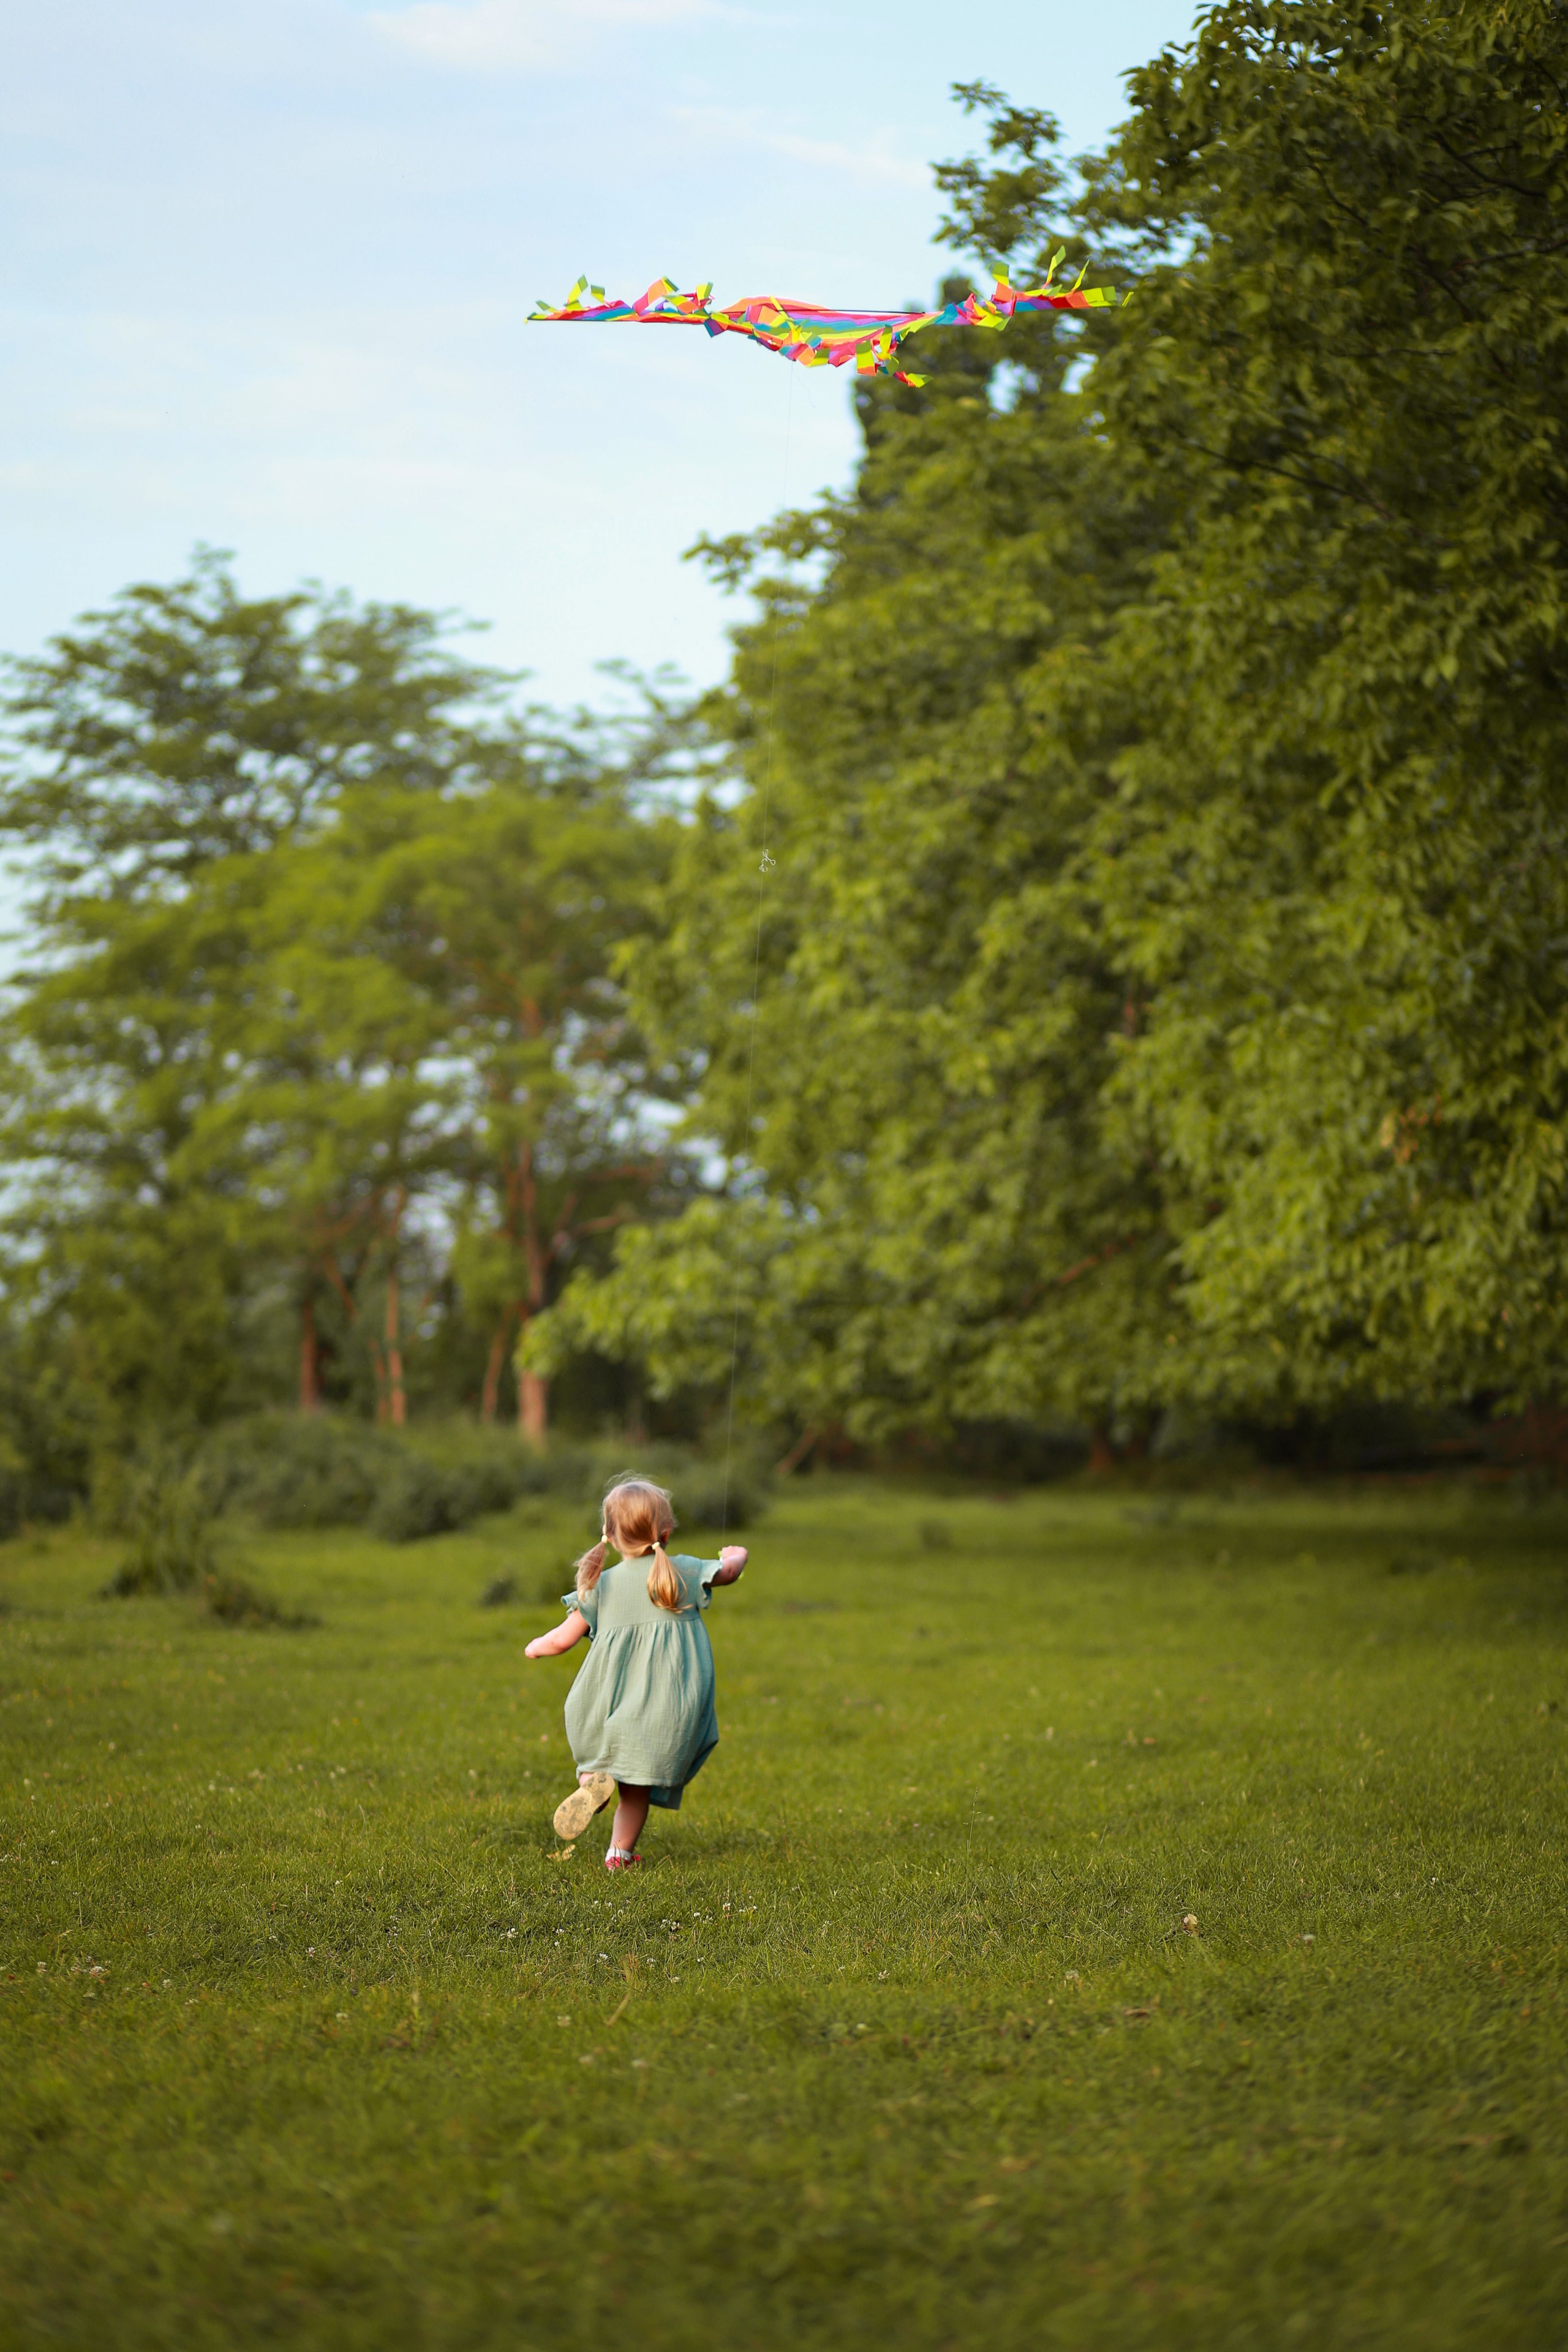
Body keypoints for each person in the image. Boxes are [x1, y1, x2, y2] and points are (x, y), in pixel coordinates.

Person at [524, 1476, 747, 1871]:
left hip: (606, 1703)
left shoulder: (600, 1585)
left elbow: (561, 1640)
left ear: (608, 1535)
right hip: (663, 1706)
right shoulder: (682, 1573)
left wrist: (535, 1646)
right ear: (666, 1531)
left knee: (604, 1762)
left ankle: (592, 1783)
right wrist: (737, 1554)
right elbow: (727, 1572)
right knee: (635, 1789)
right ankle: (619, 1854)